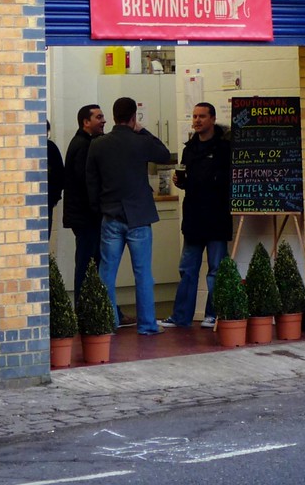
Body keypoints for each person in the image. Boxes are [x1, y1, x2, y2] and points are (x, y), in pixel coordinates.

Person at [86, 95, 172, 335]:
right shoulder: (139, 141)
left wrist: (98, 209)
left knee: (107, 273)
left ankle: (107, 322)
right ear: (134, 117)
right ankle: (147, 325)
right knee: (143, 273)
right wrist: (143, 131)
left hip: (111, 216)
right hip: (139, 217)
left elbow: (91, 182)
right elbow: (164, 154)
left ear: (113, 117)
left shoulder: (98, 144)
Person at [164, 101, 231, 328]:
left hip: (217, 216)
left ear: (212, 119)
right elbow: (188, 178)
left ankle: (213, 314)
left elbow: (224, 180)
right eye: (194, 116)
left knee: (216, 270)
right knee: (187, 269)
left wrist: (200, 180)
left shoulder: (224, 148)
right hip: (193, 217)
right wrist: (180, 181)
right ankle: (181, 316)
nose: (197, 120)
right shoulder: (189, 148)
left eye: (202, 116)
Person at [62, 103, 105, 300]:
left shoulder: (83, 142)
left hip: (83, 214)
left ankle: (91, 308)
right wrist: (97, 207)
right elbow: (85, 181)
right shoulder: (84, 145)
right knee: (88, 263)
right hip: (85, 216)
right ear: (86, 122)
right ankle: (85, 309)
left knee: (90, 261)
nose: (103, 120)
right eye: (98, 117)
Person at [46, 120, 65, 236]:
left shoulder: (50, 148)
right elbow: (60, 175)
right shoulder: (51, 148)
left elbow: (60, 175)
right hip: (48, 199)